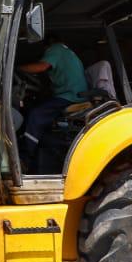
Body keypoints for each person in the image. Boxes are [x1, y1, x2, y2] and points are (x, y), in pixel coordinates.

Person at [18, 36, 88, 169]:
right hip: (75, 94)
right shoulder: (68, 52)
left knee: (35, 115)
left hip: (69, 96)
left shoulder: (55, 49)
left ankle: (24, 159)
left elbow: (41, 67)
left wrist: (18, 68)